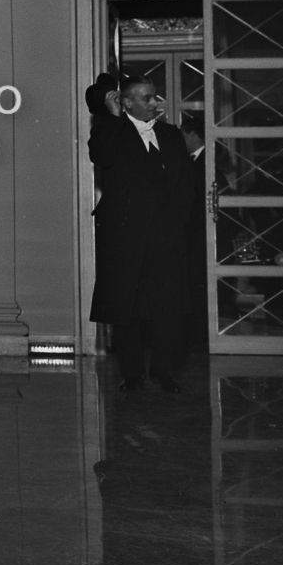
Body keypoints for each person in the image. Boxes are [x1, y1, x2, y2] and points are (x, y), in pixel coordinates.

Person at [88, 74, 193, 393]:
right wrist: (112, 116)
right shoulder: (110, 130)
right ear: (127, 102)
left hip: (165, 237)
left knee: (167, 306)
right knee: (127, 307)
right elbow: (102, 157)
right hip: (126, 238)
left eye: (154, 96)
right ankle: (132, 374)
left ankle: (164, 371)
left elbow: (184, 182)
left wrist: (178, 225)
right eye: (146, 98)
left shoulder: (170, 134)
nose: (154, 103)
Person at [179, 111, 209, 353]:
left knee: (198, 282)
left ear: (192, 135)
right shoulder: (196, 161)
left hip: (200, 235)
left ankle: (199, 335)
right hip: (194, 235)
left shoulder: (206, 162)